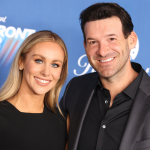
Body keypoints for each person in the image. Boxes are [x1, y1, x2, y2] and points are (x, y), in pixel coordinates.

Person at [60, 3, 150, 150]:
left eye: (111, 39)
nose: (102, 51)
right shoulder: (75, 88)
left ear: (132, 40)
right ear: (85, 46)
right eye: (93, 42)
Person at [0, 30, 68, 150]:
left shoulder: (63, 121)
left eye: (55, 65)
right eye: (39, 61)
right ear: (21, 62)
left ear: (61, 72)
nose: (46, 72)